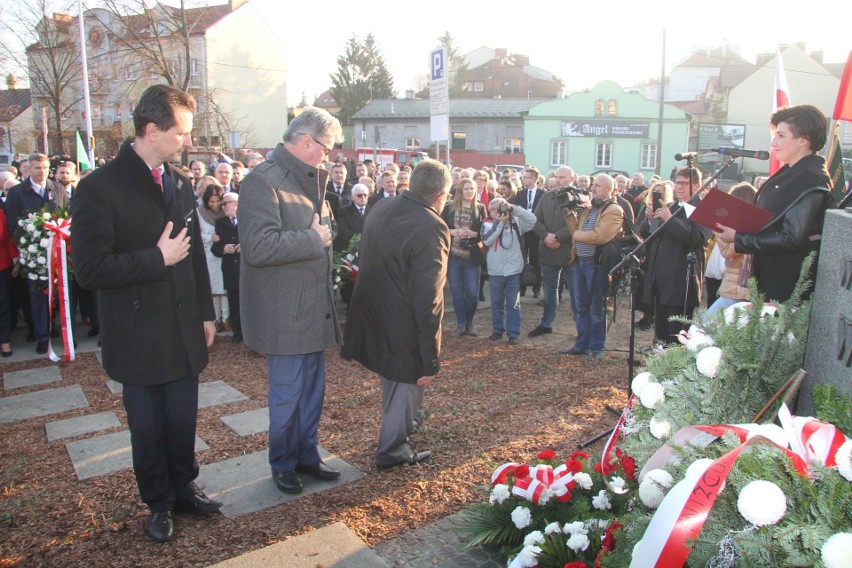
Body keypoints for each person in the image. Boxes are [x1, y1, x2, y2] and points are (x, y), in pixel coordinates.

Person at [71, 84, 221, 543]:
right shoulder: (98, 188)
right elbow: (89, 268)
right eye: (182, 133)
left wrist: (205, 311)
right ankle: (158, 502)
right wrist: (156, 259)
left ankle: (183, 488)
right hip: (138, 336)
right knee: (148, 426)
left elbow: (191, 254)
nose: (188, 142)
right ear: (152, 130)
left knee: (182, 418)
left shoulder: (177, 180)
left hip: (182, 330)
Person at [238, 106, 344, 495]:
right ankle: (282, 462)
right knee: (287, 395)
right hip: (285, 315)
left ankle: (306, 455)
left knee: (312, 393)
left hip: (311, 310)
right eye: (326, 147)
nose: (327, 155)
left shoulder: (308, 180)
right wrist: (314, 239)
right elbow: (258, 246)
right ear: (306, 142)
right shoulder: (262, 182)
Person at [341, 160, 451, 470]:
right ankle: (392, 450)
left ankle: (400, 428)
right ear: (441, 195)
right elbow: (428, 296)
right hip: (404, 320)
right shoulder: (432, 225)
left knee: (392, 377)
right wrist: (430, 355)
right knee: (409, 381)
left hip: (373, 310)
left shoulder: (382, 207)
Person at [714, 104, 834, 303]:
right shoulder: (791, 173)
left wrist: (739, 238)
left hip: (788, 289)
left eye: (781, 135)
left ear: (804, 139)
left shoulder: (810, 180)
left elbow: (790, 238)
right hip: (771, 280)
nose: (773, 143)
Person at [639, 167, 711, 343]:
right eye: (677, 182)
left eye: (685, 183)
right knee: (662, 331)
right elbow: (649, 235)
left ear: (697, 185)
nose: (679, 187)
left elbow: (698, 238)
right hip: (660, 278)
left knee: (677, 333)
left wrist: (669, 219)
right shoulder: (669, 207)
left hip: (682, 281)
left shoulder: (703, 209)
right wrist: (650, 219)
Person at [4, 153, 67, 354]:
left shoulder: (57, 188)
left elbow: (67, 215)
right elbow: (13, 224)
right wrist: (30, 240)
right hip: (35, 253)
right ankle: (42, 335)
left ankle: (66, 334)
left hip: (59, 250)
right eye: (38, 168)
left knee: (62, 293)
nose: (42, 172)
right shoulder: (16, 193)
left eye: (45, 168)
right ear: (29, 169)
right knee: (38, 294)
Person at [561, 174, 624, 356]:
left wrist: (576, 236)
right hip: (580, 262)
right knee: (581, 307)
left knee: (596, 308)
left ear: (608, 189)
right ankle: (582, 345)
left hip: (596, 266)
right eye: (593, 185)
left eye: (598, 185)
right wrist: (570, 214)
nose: (593, 188)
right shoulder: (590, 209)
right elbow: (578, 231)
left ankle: (597, 348)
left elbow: (599, 236)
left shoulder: (613, 210)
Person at [481, 197, 537, 345]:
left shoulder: (517, 222)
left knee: (513, 303)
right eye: (492, 209)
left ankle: (513, 333)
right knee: (497, 302)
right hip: (495, 270)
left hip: (514, 269)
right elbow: (486, 240)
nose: (496, 211)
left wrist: (514, 208)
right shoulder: (487, 224)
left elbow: (532, 220)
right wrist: (500, 223)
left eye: (499, 208)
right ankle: (497, 330)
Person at [529, 166, 576, 337]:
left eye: (562, 177)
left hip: (570, 253)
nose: (558, 180)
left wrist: (556, 237)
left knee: (576, 294)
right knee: (549, 291)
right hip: (548, 251)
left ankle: (581, 329)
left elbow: (577, 224)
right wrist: (546, 236)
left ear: (571, 179)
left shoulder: (578, 199)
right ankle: (546, 323)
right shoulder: (547, 197)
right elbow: (534, 220)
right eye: (556, 176)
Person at [441, 177, 486, 337]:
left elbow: (485, 230)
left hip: (471, 256)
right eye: (466, 189)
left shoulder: (480, 208)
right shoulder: (449, 207)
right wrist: (453, 232)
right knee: (457, 291)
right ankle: (460, 324)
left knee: (472, 292)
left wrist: (473, 234)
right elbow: (440, 226)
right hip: (453, 256)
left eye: (472, 189)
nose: (470, 192)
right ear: (460, 190)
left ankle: (470, 322)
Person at [706, 183, 758, 317]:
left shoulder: (748, 228)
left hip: (738, 291)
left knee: (705, 325)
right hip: (736, 289)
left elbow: (728, 251)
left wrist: (716, 227)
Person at [197, 183, 229, 332]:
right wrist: (210, 237)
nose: (215, 205)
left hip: (224, 254)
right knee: (214, 289)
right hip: (209, 254)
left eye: (218, 201)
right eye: (212, 202)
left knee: (225, 287)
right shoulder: (200, 212)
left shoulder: (225, 213)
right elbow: (196, 232)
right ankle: (216, 318)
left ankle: (226, 318)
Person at [211, 193, 241, 342]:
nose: (223, 207)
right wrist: (223, 248)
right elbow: (214, 249)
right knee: (234, 303)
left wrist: (245, 247)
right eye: (222, 204)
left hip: (245, 270)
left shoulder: (248, 220)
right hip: (230, 269)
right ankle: (237, 333)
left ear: (236, 203)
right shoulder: (220, 223)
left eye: (226, 203)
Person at [515, 167, 544, 298]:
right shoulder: (520, 194)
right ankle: (521, 287)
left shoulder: (543, 194)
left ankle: (536, 287)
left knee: (535, 260)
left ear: (533, 179)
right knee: (521, 258)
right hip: (523, 231)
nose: (523, 179)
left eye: (526, 177)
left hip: (536, 232)